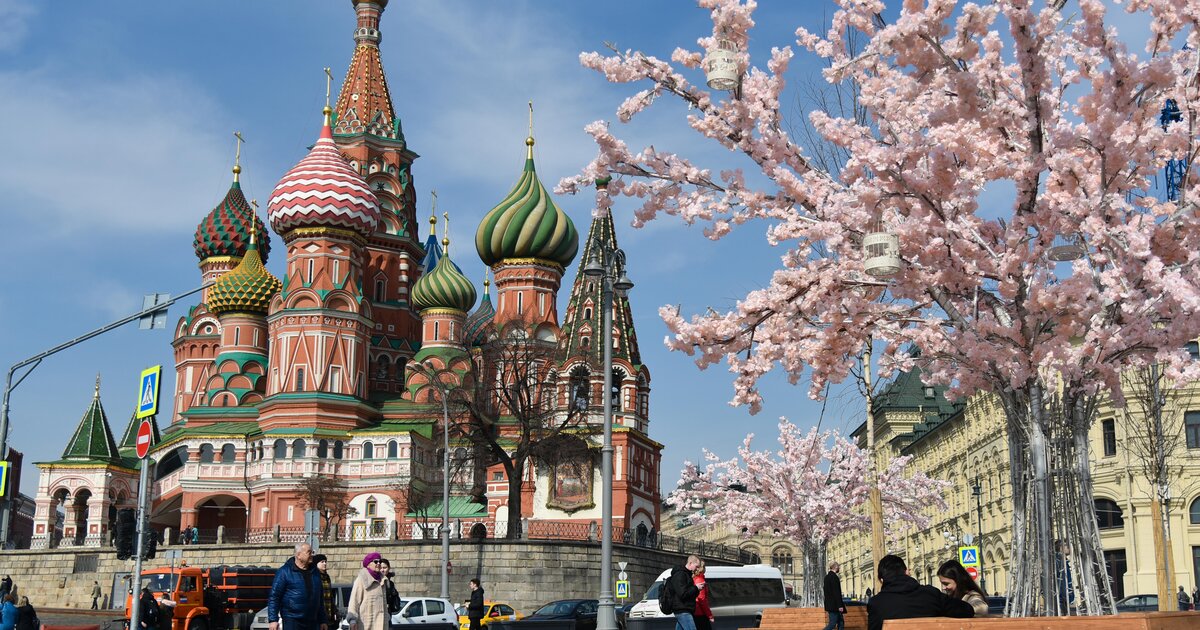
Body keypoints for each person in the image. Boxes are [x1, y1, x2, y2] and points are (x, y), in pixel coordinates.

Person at [867, 555, 973, 630]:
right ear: (907, 572)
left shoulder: (876, 604)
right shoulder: (930, 594)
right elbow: (967, 610)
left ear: (881, 580)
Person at [268, 542, 327, 630]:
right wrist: (273, 620)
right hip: (292, 620)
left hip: (313, 621)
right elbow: (274, 597)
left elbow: (320, 598)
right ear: (299, 555)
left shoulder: (315, 573)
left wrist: (323, 620)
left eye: (312, 552)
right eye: (309, 552)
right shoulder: (284, 572)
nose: (312, 555)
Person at [348, 552, 388, 630]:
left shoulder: (383, 580)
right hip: (366, 625)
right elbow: (354, 601)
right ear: (368, 564)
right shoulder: (361, 580)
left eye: (380, 561)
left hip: (382, 625)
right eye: (376, 561)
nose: (378, 563)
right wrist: (352, 620)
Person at [665, 555, 702, 630]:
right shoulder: (680, 574)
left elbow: (689, 593)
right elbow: (683, 594)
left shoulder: (687, 574)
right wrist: (696, 588)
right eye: (696, 566)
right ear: (690, 563)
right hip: (682, 609)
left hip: (685, 608)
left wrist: (697, 589)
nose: (697, 569)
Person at [314, 555, 338, 628]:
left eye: (325, 562)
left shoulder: (327, 577)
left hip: (329, 615)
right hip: (318, 617)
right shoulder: (314, 576)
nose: (325, 563)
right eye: (322, 562)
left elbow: (330, 596)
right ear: (316, 564)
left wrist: (334, 611)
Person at [822, 562, 845, 630]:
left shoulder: (826, 577)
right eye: (838, 566)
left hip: (830, 604)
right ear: (835, 567)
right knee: (832, 624)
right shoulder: (834, 577)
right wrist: (840, 606)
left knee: (841, 622)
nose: (839, 568)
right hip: (835, 606)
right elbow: (836, 592)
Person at [691, 560, 713, 630]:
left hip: (694, 611)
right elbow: (702, 599)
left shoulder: (693, 579)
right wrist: (710, 615)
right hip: (700, 613)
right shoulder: (700, 580)